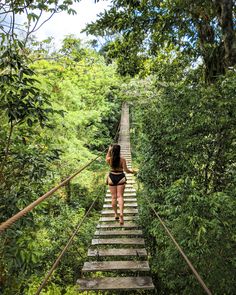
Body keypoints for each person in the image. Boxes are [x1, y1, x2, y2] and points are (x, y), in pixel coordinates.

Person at [106, 144, 134, 225]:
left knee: (113, 197)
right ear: (119, 151)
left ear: (112, 151)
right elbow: (127, 170)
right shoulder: (122, 160)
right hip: (120, 177)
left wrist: (109, 150)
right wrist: (133, 171)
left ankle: (116, 214)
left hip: (111, 177)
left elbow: (107, 156)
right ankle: (121, 214)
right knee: (120, 196)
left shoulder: (109, 159)